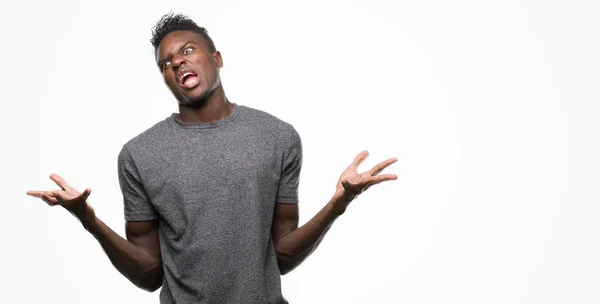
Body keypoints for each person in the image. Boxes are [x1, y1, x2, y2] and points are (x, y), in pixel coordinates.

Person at [26, 12, 397, 304]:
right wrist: (87, 219)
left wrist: (338, 203)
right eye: (165, 63)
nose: (177, 64)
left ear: (216, 57)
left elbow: (282, 256)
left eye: (188, 50)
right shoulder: (139, 155)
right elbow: (149, 274)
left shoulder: (277, 137)